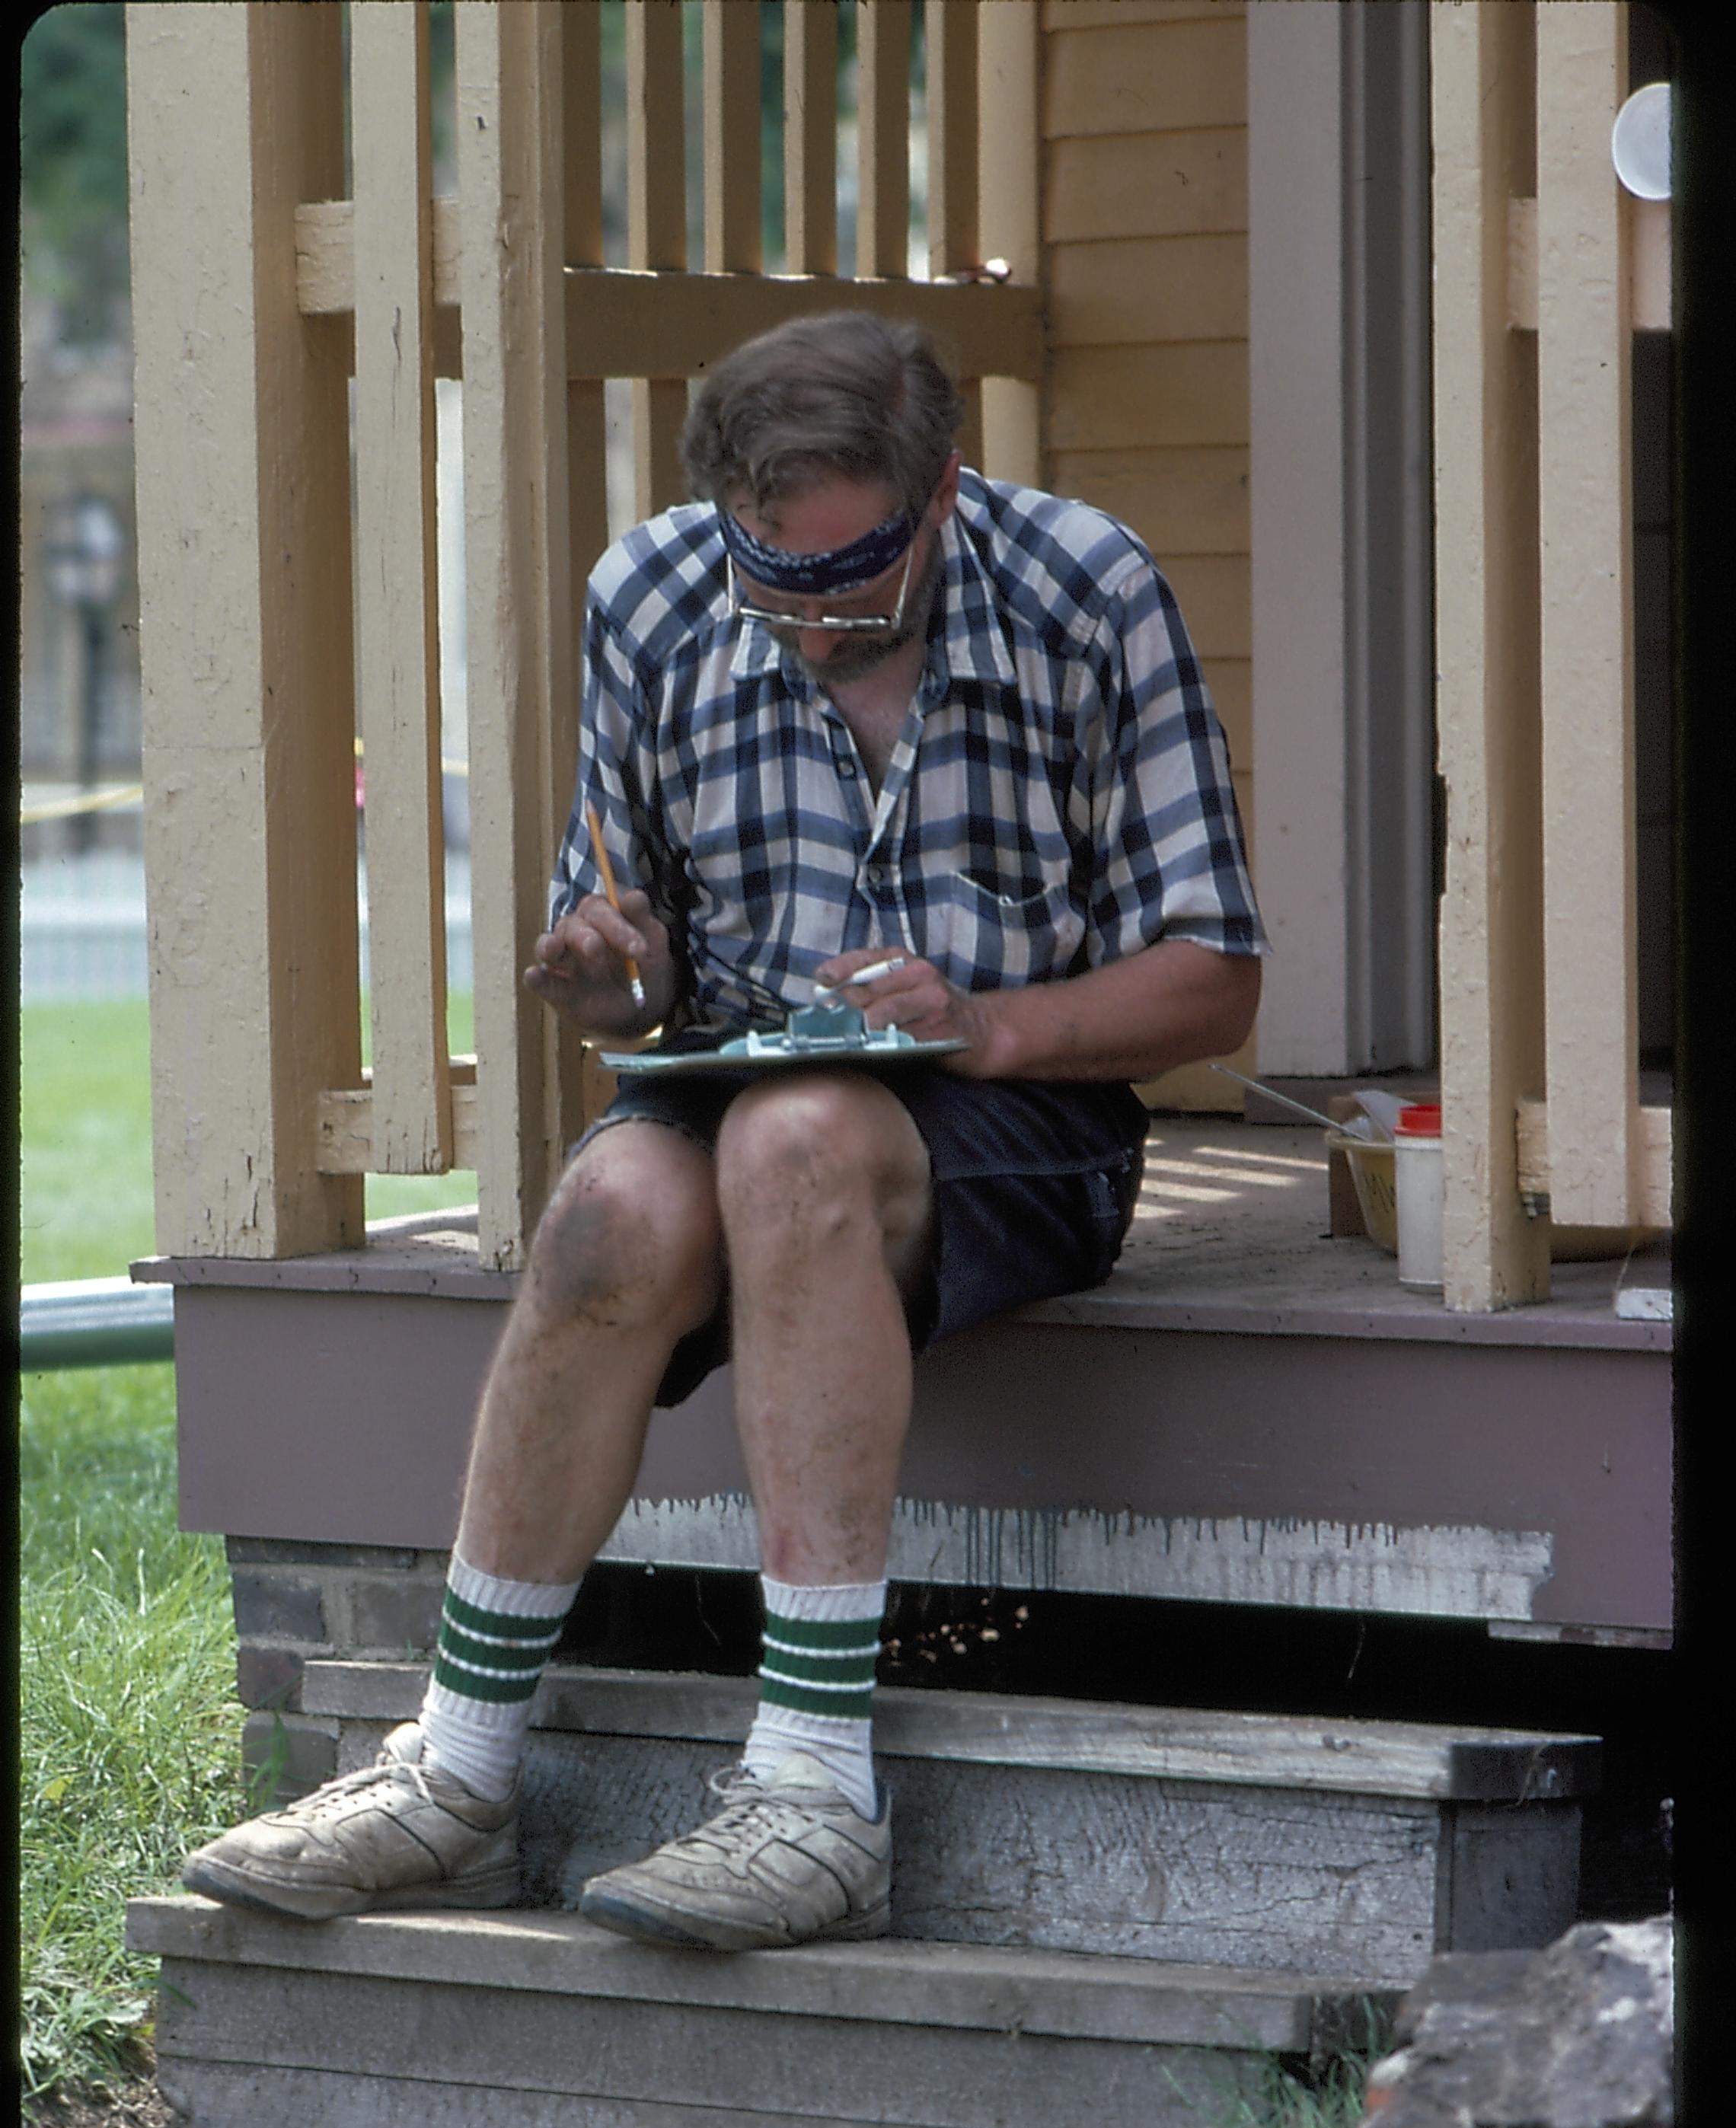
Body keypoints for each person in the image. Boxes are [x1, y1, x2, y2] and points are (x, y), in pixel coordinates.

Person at [183, 313, 1268, 1951]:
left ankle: (817, 1798)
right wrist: (606, 984)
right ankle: (456, 1776)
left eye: (856, 580)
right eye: (778, 584)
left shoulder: (1085, 586)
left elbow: (1215, 977)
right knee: (611, 1200)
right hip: (732, 1084)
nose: (817, 624)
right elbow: (631, 957)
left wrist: (991, 1023)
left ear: (946, 491)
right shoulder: (656, 593)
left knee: (798, 1142)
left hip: (1017, 1107)